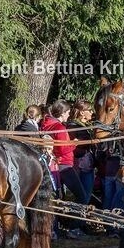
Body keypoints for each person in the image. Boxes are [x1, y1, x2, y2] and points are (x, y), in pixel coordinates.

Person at [40, 101, 84, 239]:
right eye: (68, 112)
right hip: (64, 165)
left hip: (53, 165)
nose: (69, 115)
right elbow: (63, 148)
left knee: (56, 197)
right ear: (62, 113)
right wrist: (74, 143)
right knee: (81, 195)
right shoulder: (59, 127)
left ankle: (55, 228)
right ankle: (73, 227)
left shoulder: (46, 125)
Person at [66, 99, 96, 207]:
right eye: (90, 110)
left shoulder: (85, 125)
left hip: (87, 165)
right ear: (82, 112)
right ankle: (76, 222)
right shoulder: (72, 126)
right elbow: (72, 146)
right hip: (79, 165)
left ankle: (79, 221)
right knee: (83, 196)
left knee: (85, 196)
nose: (92, 113)